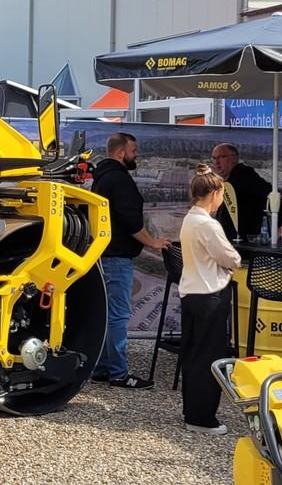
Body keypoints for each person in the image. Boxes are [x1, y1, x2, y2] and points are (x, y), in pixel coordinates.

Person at [90, 132, 171, 389]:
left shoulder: (102, 177)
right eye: (134, 150)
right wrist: (152, 242)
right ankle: (118, 373)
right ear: (121, 152)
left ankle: (103, 368)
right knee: (118, 315)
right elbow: (130, 219)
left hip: (103, 254)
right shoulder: (119, 179)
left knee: (106, 314)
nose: (137, 155)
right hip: (117, 257)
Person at [178, 164, 241, 435]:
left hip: (191, 292)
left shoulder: (189, 219)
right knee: (209, 357)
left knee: (193, 355)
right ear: (214, 192)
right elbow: (231, 258)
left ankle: (192, 410)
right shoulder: (208, 224)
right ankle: (203, 416)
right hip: (210, 295)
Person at [210, 143, 282, 242]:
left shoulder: (245, 176)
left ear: (234, 158)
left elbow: (272, 195)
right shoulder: (226, 181)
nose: (216, 162)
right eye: (214, 158)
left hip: (244, 243)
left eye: (221, 157)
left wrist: (281, 224)